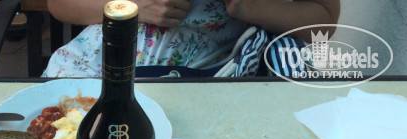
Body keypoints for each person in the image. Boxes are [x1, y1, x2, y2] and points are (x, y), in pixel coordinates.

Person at [42, 0, 340, 77]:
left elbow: (323, 24)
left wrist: (248, 7)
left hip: (209, 78)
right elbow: (58, 5)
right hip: (94, 67)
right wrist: (131, 5)